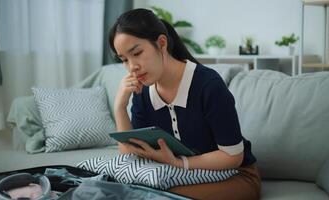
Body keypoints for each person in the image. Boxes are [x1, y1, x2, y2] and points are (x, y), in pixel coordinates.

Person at [109, 8, 261, 200]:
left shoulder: (208, 84)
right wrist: (120, 106)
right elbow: (130, 153)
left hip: (236, 175)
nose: (132, 67)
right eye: (124, 60)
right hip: (180, 176)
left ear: (161, 43)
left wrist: (179, 163)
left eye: (137, 53)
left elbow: (233, 156)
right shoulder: (143, 91)